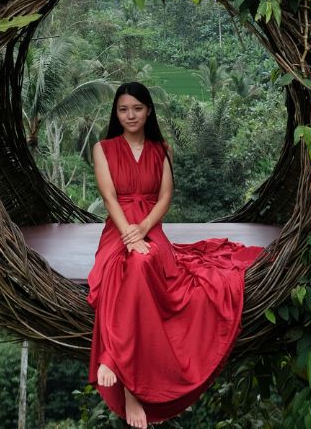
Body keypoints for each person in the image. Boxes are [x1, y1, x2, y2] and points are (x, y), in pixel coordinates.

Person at [87, 82, 263, 428]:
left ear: (148, 111)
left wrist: (144, 229)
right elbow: (109, 197)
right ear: (116, 114)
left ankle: (115, 361)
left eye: (137, 108)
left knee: (142, 261)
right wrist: (128, 233)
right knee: (124, 265)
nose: (130, 115)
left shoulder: (160, 149)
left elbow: (166, 196)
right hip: (117, 228)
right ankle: (125, 378)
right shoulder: (103, 148)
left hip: (151, 227)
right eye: (123, 110)